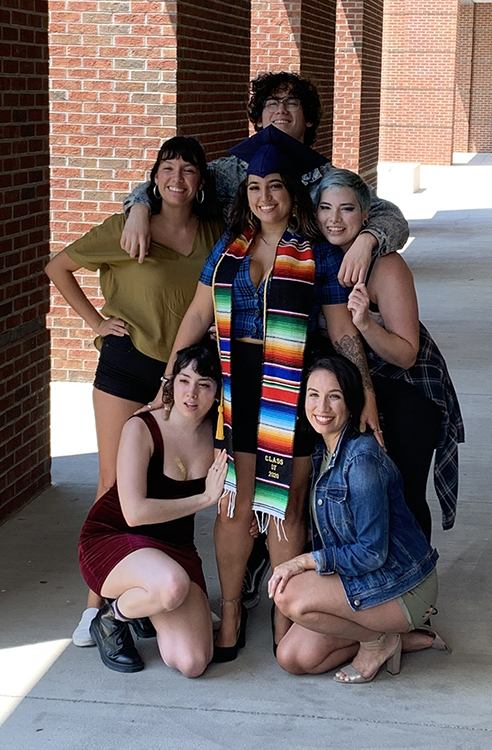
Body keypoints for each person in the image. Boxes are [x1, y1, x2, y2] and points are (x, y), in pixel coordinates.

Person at [144, 125, 383, 662]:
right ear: (245, 195)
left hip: (291, 387)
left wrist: (364, 392)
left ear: (291, 193)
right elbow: (196, 316)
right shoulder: (227, 251)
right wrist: (167, 379)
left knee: (286, 511)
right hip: (235, 386)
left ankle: (282, 611)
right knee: (233, 505)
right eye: (255, 188)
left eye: (275, 186)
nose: (265, 197)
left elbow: (342, 329)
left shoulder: (316, 254)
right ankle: (230, 614)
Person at [46, 136, 225, 646]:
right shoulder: (126, 228)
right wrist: (95, 322)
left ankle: (160, 585)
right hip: (129, 367)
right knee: (113, 483)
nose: (177, 179)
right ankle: (97, 605)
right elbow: (58, 266)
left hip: (188, 373)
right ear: (153, 177)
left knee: (178, 477)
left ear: (201, 182)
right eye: (167, 169)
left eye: (188, 170)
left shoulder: (214, 231)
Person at [121, 72, 409, 289]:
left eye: (292, 103)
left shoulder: (326, 179)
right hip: (244, 293)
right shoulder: (230, 172)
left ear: (308, 119)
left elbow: (392, 218)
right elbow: (176, 183)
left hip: (314, 297)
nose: (281, 110)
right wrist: (138, 209)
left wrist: (366, 240)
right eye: (271, 103)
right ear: (258, 119)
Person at [269, 355, 451, 683]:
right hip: (363, 579)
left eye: (334, 396)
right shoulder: (319, 453)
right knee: (292, 657)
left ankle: (375, 641)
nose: (321, 406)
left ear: (351, 404)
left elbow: (371, 552)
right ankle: (394, 640)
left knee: (290, 596)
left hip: (402, 584)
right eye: (313, 394)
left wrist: (302, 563)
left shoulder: (361, 460)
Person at [312, 168, 465, 539]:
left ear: (366, 217)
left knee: (403, 490)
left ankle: (416, 587)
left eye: (347, 209)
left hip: (409, 385)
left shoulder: (387, 265)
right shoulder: (313, 258)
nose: (334, 219)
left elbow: (407, 354)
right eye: (325, 208)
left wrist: (365, 324)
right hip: (352, 382)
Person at [78, 342, 227, 675]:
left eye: (204, 385)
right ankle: (112, 617)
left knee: (192, 662)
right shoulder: (141, 427)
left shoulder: (218, 436)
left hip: (174, 548)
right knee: (171, 586)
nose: (192, 393)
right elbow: (135, 513)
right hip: (116, 538)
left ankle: (147, 605)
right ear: (170, 383)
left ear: (217, 393)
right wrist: (204, 499)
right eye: (184, 380)